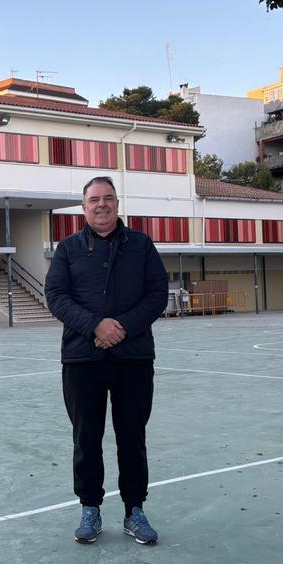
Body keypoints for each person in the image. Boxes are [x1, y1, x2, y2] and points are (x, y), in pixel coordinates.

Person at [44, 175, 168, 545]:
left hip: (133, 358)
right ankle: (90, 508)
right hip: (83, 360)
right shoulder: (67, 250)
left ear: (117, 204)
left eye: (108, 198)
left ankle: (135, 510)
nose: (102, 204)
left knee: (133, 437)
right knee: (86, 437)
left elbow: (157, 294)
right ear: (84, 208)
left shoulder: (142, 246)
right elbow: (56, 296)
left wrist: (122, 328)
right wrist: (95, 325)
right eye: (94, 199)